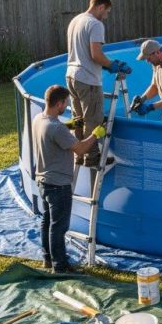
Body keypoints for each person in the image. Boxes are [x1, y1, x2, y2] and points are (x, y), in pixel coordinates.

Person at [33, 84, 106, 273]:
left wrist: (71, 126)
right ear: (59, 103)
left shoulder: (39, 119)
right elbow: (81, 149)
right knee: (59, 226)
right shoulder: (57, 128)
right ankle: (61, 266)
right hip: (58, 185)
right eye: (65, 103)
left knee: (47, 222)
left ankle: (48, 259)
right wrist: (95, 135)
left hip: (43, 181)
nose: (66, 106)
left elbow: (53, 130)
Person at [65, 0, 131, 168]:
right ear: (100, 6)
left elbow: (82, 53)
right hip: (88, 79)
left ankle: (78, 154)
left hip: (71, 75)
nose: (106, 16)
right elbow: (95, 55)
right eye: (107, 12)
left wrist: (106, 65)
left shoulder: (76, 21)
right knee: (92, 119)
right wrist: (112, 65)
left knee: (78, 119)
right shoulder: (95, 24)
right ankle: (92, 157)